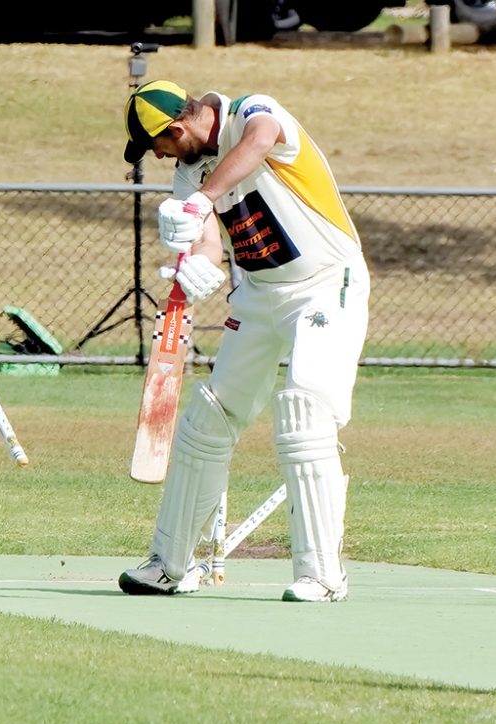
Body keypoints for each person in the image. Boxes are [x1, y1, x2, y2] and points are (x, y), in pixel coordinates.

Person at [117, 80, 370, 602]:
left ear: (177, 127)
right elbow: (210, 246)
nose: (159, 155)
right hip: (258, 294)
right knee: (208, 420)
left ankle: (322, 574)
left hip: (325, 285)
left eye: (158, 144)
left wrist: (202, 202)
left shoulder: (252, 112)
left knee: (304, 412)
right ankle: (170, 565)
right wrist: (196, 269)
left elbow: (260, 140)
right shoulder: (188, 172)